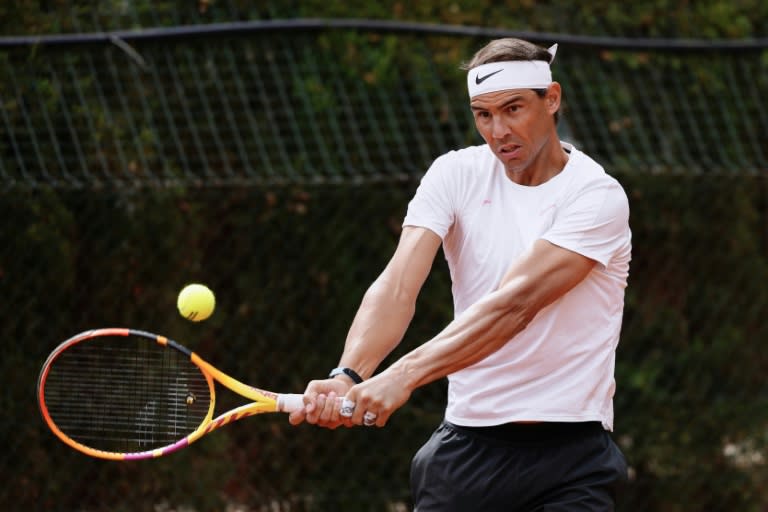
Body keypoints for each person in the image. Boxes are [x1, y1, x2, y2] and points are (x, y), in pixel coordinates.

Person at [289, 37, 631, 511]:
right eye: (483, 114)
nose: (499, 131)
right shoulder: (454, 174)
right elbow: (398, 284)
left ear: (552, 99)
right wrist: (349, 373)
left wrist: (403, 376)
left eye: (513, 109)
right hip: (464, 455)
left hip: (571, 463)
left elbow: (513, 306)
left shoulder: (596, 197)